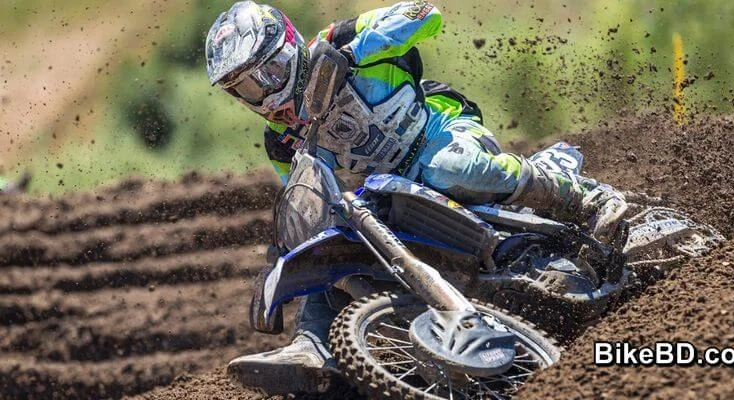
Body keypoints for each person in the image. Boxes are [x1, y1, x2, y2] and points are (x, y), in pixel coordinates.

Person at [205, 1, 628, 394]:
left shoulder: (339, 40)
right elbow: (311, 196)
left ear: (290, 47)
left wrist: (354, 53)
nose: (265, 92)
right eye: (247, 88)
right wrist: (291, 246)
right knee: (331, 246)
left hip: (439, 134)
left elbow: (426, 13)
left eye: (268, 73)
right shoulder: (280, 141)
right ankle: (313, 347)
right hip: (388, 192)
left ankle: (583, 198)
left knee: (448, 168)